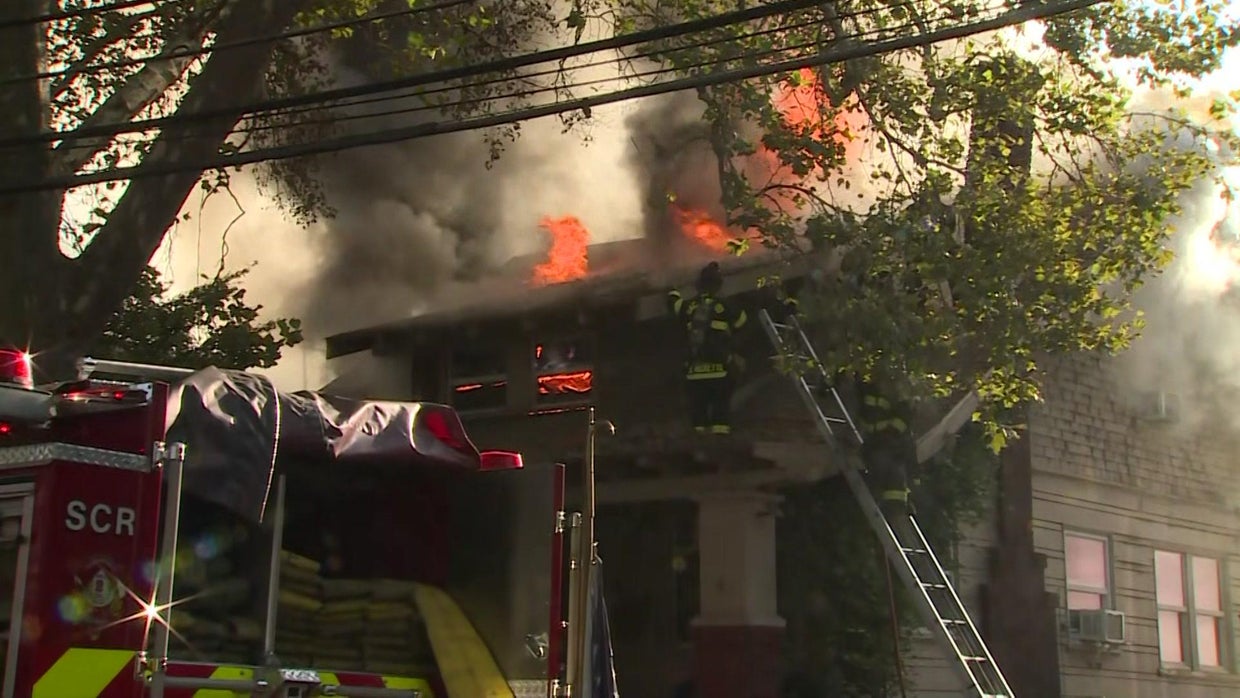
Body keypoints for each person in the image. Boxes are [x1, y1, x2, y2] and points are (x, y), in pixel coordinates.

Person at [668, 262, 748, 435]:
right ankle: (720, 442)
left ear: (699, 285)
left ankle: (700, 444)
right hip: (720, 370)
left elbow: (673, 304)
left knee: (698, 413)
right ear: (718, 285)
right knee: (721, 411)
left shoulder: (688, 306)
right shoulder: (725, 306)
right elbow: (742, 323)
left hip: (694, 371)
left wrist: (672, 286)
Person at [853, 374, 917, 518]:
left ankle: (894, 507)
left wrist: (890, 434)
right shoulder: (869, 389)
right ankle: (895, 507)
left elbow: (903, 416)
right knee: (887, 471)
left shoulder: (895, 394)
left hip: (887, 443)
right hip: (877, 442)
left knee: (888, 471)